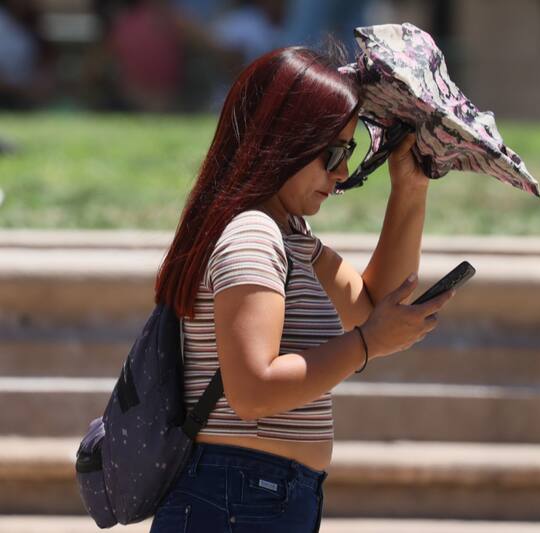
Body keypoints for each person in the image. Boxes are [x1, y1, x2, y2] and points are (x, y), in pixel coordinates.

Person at [150, 43, 456, 532]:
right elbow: (252, 390)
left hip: (253, 494)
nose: (341, 175)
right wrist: (366, 344)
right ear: (283, 140)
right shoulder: (252, 237)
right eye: (332, 153)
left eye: (350, 152)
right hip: (239, 495)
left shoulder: (290, 235)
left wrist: (410, 188)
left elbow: (372, 304)